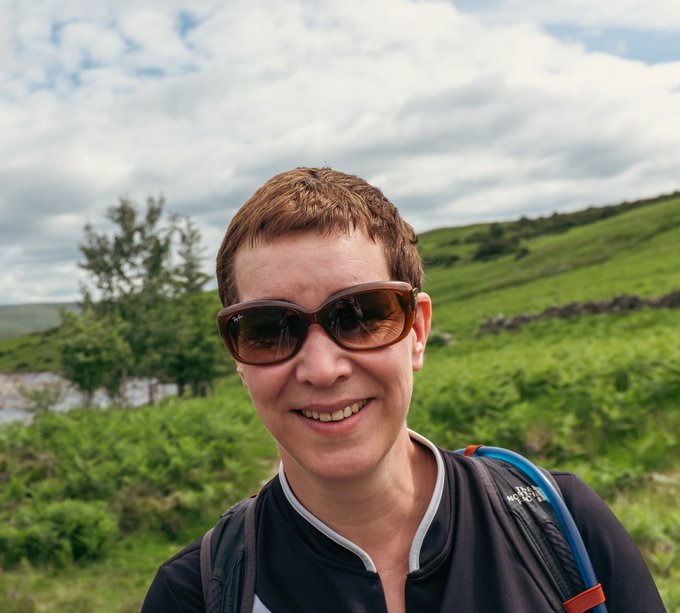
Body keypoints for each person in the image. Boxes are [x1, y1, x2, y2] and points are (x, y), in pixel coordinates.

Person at [141, 167, 664, 612]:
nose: (322, 369)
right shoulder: (195, 595)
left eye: (362, 315)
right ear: (238, 357)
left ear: (416, 332)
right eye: (266, 328)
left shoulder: (562, 522)